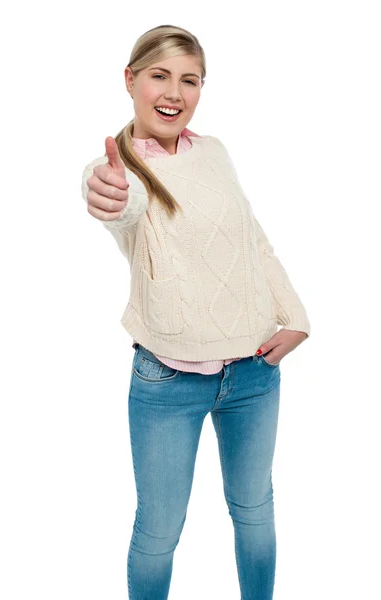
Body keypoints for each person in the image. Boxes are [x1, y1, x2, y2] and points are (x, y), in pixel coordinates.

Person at [81, 23, 310, 600]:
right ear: (130, 80)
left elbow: (252, 239)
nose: (174, 92)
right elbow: (118, 204)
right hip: (167, 382)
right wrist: (102, 187)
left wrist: (296, 316)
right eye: (160, 75)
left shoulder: (214, 151)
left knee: (255, 510)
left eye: (190, 80)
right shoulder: (122, 171)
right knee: (158, 533)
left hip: (255, 373)